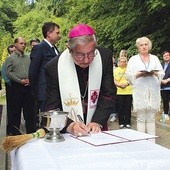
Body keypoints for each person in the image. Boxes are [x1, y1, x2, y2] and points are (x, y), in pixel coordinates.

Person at [44, 23, 117, 136]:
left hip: (97, 127)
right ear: (69, 49)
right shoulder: (54, 67)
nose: (87, 60)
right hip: (69, 132)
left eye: (91, 53)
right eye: (80, 55)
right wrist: (70, 125)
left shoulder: (104, 57)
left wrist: (97, 121)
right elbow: (51, 107)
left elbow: (108, 94)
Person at [125, 36, 164, 138]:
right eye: (141, 45)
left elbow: (161, 73)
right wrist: (138, 74)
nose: (144, 47)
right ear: (138, 47)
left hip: (153, 92)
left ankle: (152, 142)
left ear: (149, 46)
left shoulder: (155, 58)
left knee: (151, 118)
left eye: (146, 44)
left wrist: (154, 73)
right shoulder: (133, 59)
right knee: (141, 118)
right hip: (140, 91)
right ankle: (141, 141)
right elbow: (128, 75)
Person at [29, 22, 61, 117]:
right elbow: (33, 71)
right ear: (49, 33)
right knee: (47, 119)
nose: (59, 35)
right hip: (44, 91)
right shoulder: (40, 47)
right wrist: (34, 90)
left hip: (54, 90)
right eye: (57, 33)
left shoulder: (54, 48)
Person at [5, 37, 36, 135]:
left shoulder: (29, 57)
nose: (23, 45)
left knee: (29, 112)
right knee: (15, 112)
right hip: (16, 87)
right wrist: (20, 81)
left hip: (28, 87)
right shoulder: (10, 58)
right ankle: (14, 134)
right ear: (15, 45)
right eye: (21, 43)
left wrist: (30, 80)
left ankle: (31, 133)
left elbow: (32, 69)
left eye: (25, 44)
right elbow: (9, 73)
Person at [114, 57, 132, 128]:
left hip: (128, 91)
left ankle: (127, 122)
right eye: (121, 61)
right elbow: (114, 79)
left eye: (124, 61)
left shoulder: (129, 70)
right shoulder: (115, 70)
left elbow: (131, 78)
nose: (122, 63)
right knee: (120, 108)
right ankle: (121, 122)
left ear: (126, 62)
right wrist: (119, 84)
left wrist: (127, 83)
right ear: (118, 62)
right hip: (119, 91)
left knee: (127, 108)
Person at [160, 51, 170, 121]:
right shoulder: (161, 65)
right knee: (165, 101)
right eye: (164, 56)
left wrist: (167, 80)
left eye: (167, 55)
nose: (166, 56)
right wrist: (161, 80)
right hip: (163, 87)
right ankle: (166, 114)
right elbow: (158, 74)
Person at [110, 55, 118, 122]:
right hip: (108, 87)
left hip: (116, 87)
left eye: (113, 59)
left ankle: (113, 114)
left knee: (114, 102)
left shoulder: (116, 68)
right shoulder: (105, 68)